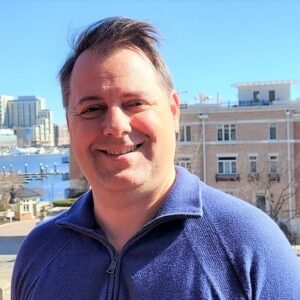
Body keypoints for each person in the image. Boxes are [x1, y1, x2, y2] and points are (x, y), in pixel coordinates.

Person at [12, 17, 300, 300]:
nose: (115, 125)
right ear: (70, 124)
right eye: (91, 109)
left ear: (174, 112)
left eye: (135, 103)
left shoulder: (251, 246)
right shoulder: (39, 251)